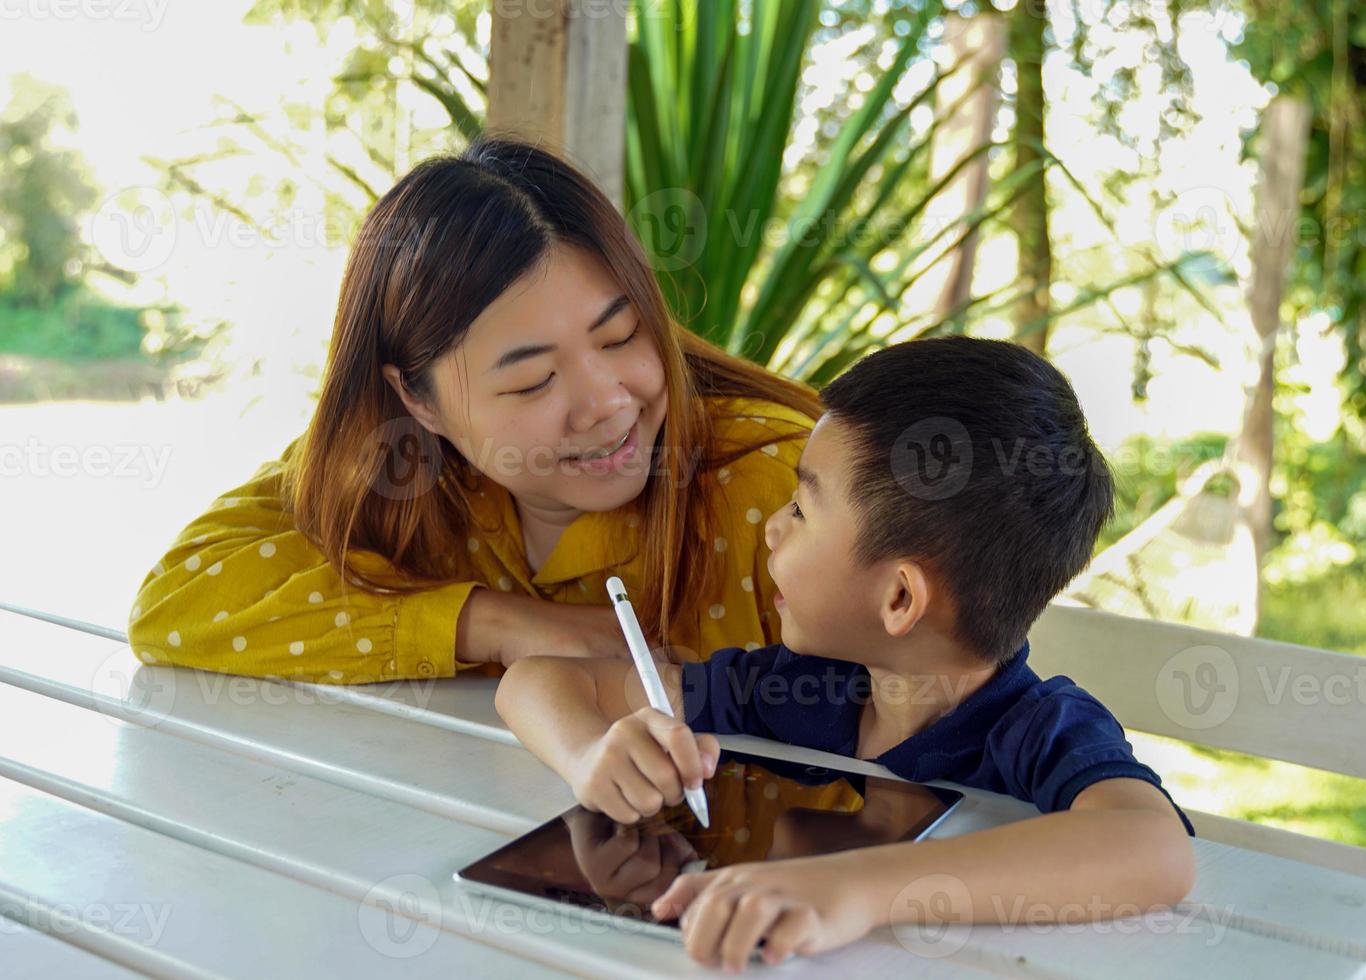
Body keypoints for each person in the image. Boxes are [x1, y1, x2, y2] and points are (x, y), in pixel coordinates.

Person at [497, 336, 1197, 970]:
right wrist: (590, 755)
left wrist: (855, 888)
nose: (771, 528)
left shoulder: (1038, 728)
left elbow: (1155, 851)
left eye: (801, 510)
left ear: (899, 600)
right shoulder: (807, 690)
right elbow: (537, 682)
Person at [127, 134, 819, 683]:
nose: (607, 404)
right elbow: (174, 605)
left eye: (622, 335)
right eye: (532, 382)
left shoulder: (782, 488)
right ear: (416, 400)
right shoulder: (391, 465)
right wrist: (490, 623)